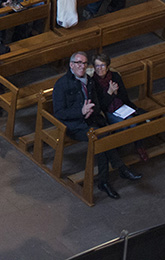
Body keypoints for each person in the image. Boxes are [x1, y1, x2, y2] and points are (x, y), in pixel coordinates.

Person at [52, 52, 141, 199]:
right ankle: (119, 170)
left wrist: (92, 111)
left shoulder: (90, 81)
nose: (82, 66)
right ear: (71, 64)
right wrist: (81, 112)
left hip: (92, 122)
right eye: (79, 63)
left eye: (85, 63)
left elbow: (98, 105)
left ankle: (105, 181)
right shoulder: (62, 84)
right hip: (74, 126)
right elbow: (59, 112)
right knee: (100, 138)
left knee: (100, 138)